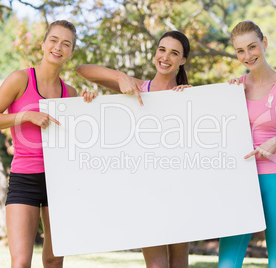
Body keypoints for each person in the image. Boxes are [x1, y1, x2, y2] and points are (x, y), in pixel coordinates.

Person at [0, 20, 92, 268]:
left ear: (71, 52)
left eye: (66, 44)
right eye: (53, 40)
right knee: (20, 262)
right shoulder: (20, 79)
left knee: (54, 260)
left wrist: (88, 104)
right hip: (25, 178)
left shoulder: (70, 93)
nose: (58, 47)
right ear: (43, 44)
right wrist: (25, 115)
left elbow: (80, 138)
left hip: (60, 182)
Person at [76, 31, 191, 268]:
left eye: (174, 53)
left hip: (179, 187)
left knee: (179, 264)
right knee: (156, 265)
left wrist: (190, 100)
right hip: (145, 190)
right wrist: (121, 77)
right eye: (162, 49)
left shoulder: (189, 95)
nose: (166, 57)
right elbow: (82, 69)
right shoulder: (138, 88)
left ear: (183, 61)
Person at [218, 21, 276, 268]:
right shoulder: (234, 87)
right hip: (240, 181)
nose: (247, 55)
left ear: (264, 43)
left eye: (252, 47)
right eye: (240, 51)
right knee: (227, 263)